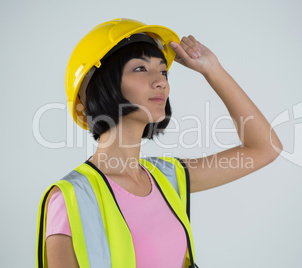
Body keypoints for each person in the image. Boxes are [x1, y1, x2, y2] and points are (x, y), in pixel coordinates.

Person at [36, 18, 283, 268]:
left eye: (163, 71)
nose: (161, 81)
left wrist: (212, 69)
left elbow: (266, 147)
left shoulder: (167, 178)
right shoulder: (71, 199)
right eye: (140, 69)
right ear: (99, 85)